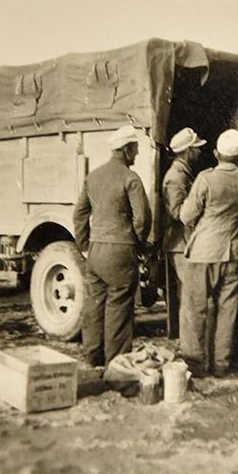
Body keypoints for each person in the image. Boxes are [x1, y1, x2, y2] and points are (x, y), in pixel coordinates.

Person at [72, 125, 152, 367]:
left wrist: (85, 244)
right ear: (126, 150)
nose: (137, 154)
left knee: (94, 304)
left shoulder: (93, 176)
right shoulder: (130, 179)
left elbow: (79, 214)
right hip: (121, 251)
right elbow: (142, 219)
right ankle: (116, 365)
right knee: (119, 307)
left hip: (96, 251)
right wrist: (137, 243)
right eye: (135, 149)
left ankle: (92, 357)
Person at [178, 129, 238, 377]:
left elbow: (186, 215)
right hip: (235, 253)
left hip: (203, 253)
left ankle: (195, 364)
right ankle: (221, 364)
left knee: (194, 309)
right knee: (227, 311)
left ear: (217, 154)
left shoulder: (205, 179)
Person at [161, 127, 206, 338]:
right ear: (187, 151)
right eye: (195, 149)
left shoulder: (184, 173)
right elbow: (177, 212)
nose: (198, 152)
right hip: (179, 243)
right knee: (189, 294)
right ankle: (188, 341)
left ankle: (187, 339)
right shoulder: (176, 177)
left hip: (183, 242)